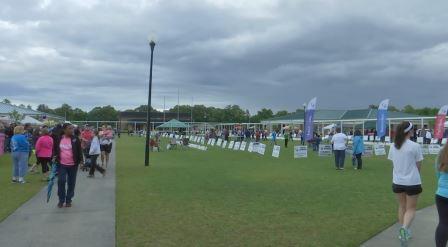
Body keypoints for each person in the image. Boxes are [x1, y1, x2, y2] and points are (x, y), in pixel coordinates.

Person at [387, 121, 423, 244]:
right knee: (411, 209)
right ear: (410, 131)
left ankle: (404, 232)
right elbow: (418, 166)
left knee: (402, 207)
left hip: (397, 182)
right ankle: (404, 229)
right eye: (413, 129)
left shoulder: (393, 146)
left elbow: (394, 163)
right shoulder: (415, 146)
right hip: (412, 182)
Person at [53, 123, 83, 208]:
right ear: (64, 130)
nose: (72, 130)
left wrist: (81, 162)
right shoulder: (59, 138)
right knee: (61, 181)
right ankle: (61, 200)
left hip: (73, 165)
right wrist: (54, 156)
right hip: (62, 164)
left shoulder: (75, 139)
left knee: (71, 183)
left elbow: (79, 150)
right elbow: (55, 149)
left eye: (72, 128)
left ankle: (68, 200)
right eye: (70, 128)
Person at [435, 144, 448, 247]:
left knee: (443, 223)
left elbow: (438, 171)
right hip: (443, 191)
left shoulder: (442, 152)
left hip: (441, 193)